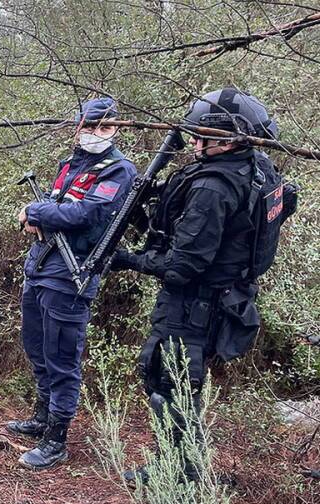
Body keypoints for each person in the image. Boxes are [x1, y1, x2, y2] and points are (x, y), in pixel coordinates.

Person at [111, 88, 294, 482]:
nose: (193, 143)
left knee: (170, 385)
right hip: (225, 299)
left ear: (228, 140)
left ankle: (181, 475)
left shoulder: (213, 187)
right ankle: (184, 467)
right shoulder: (259, 168)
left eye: (201, 137)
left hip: (193, 306)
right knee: (183, 387)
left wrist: (128, 259)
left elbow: (182, 266)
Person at [10, 97, 138, 469]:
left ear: (115, 129)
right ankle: (42, 418)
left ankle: (56, 440)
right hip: (40, 267)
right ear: (78, 126)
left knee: (62, 357)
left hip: (72, 276)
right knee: (36, 347)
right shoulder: (70, 164)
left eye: (106, 127)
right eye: (91, 126)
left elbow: (87, 214)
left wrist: (35, 211)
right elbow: (58, 208)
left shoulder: (119, 170)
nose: (98, 133)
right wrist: (35, 219)